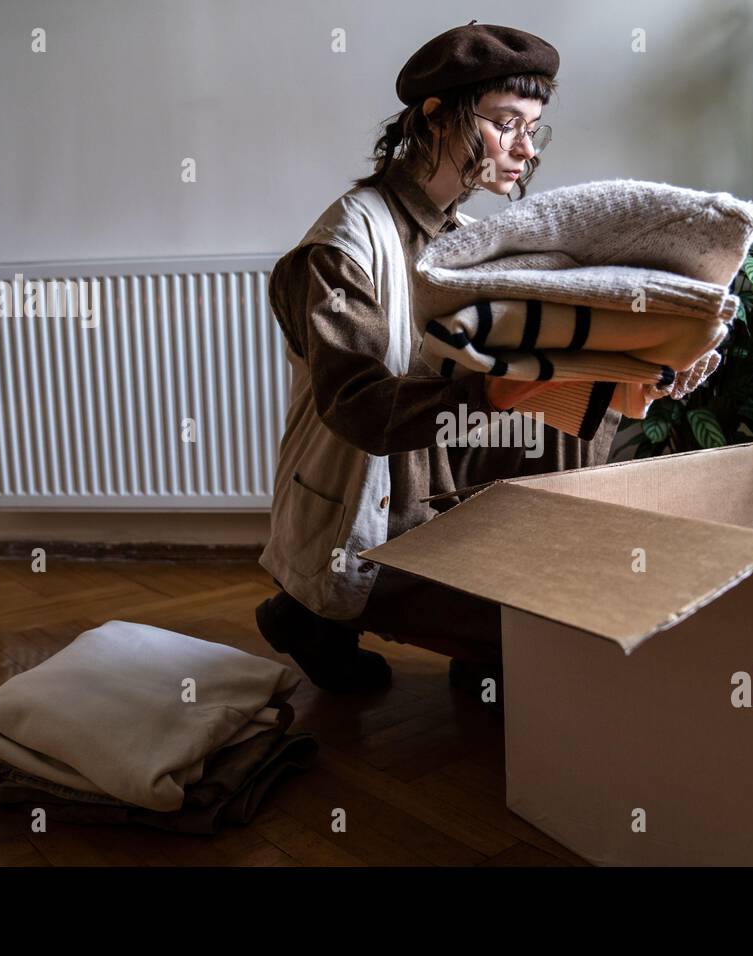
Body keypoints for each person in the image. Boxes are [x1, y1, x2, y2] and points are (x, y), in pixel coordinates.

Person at [254, 22, 622, 708]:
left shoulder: (468, 242)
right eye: (506, 123)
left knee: (551, 619)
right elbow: (361, 407)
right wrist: (495, 388)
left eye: (533, 128)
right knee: (529, 641)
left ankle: (472, 639)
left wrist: (643, 369)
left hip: (445, 483)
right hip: (372, 509)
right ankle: (309, 615)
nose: (523, 148)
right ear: (435, 117)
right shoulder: (342, 245)